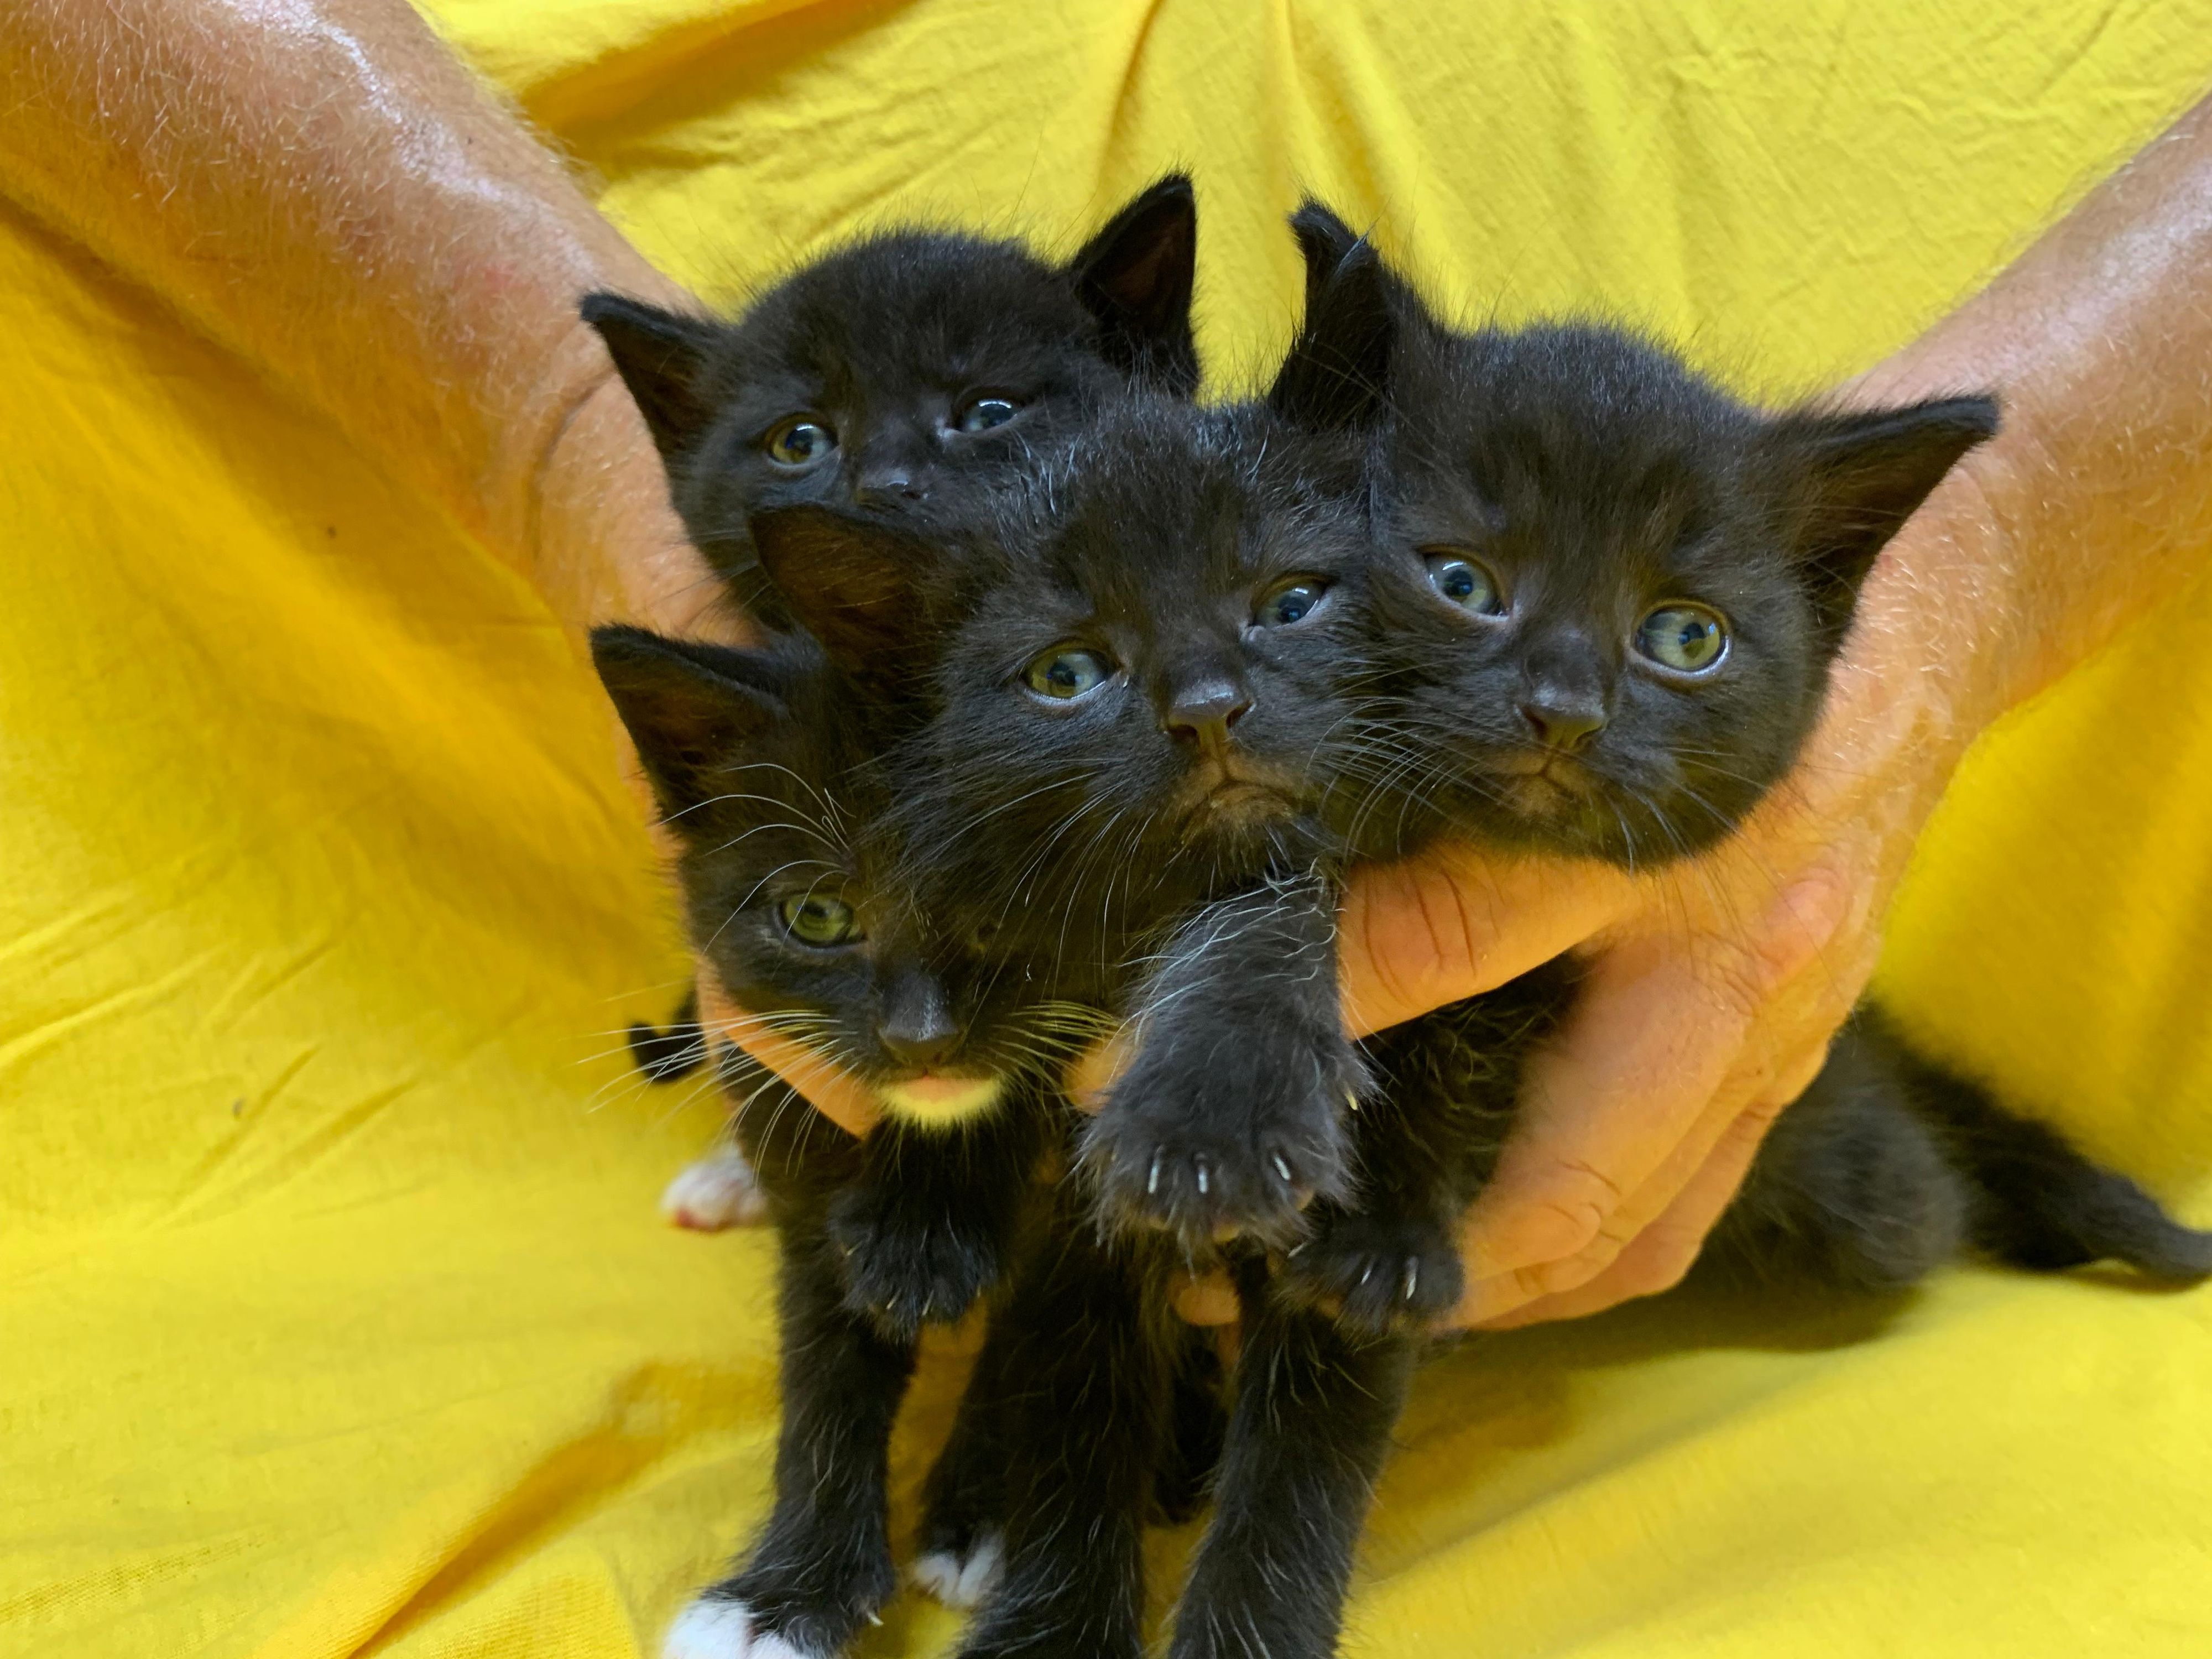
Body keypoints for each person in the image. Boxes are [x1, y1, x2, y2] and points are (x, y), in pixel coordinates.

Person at [9, 0, 2207, 1333]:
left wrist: (1984, 558)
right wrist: (581, 446)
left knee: (1841, 1211)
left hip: (1952, 897)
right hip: (344, 875)